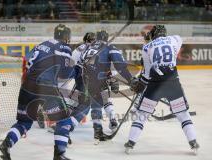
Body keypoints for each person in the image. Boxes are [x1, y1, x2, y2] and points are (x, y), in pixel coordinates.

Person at [0, 24, 75, 160]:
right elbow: (65, 74)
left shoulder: (40, 45)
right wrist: (77, 70)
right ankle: (59, 155)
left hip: (27, 86)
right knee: (64, 120)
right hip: (46, 88)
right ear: (66, 36)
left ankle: (5, 147)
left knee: (24, 123)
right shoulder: (65, 47)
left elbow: (27, 66)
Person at [124, 25, 200, 154]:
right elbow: (173, 46)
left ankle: (130, 143)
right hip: (173, 83)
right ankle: (193, 142)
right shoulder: (175, 39)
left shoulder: (147, 47)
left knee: (142, 114)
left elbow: (147, 74)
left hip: (155, 85)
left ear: (153, 35)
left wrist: (139, 85)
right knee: (183, 114)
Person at [79, 30, 143, 142]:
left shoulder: (88, 46)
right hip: (99, 78)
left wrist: (108, 77)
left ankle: (110, 120)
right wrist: (130, 79)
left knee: (100, 100)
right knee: (98, 103)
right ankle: (98, 130)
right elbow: (120, 66)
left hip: (86, 78)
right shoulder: (109, 46)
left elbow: (82, 62)